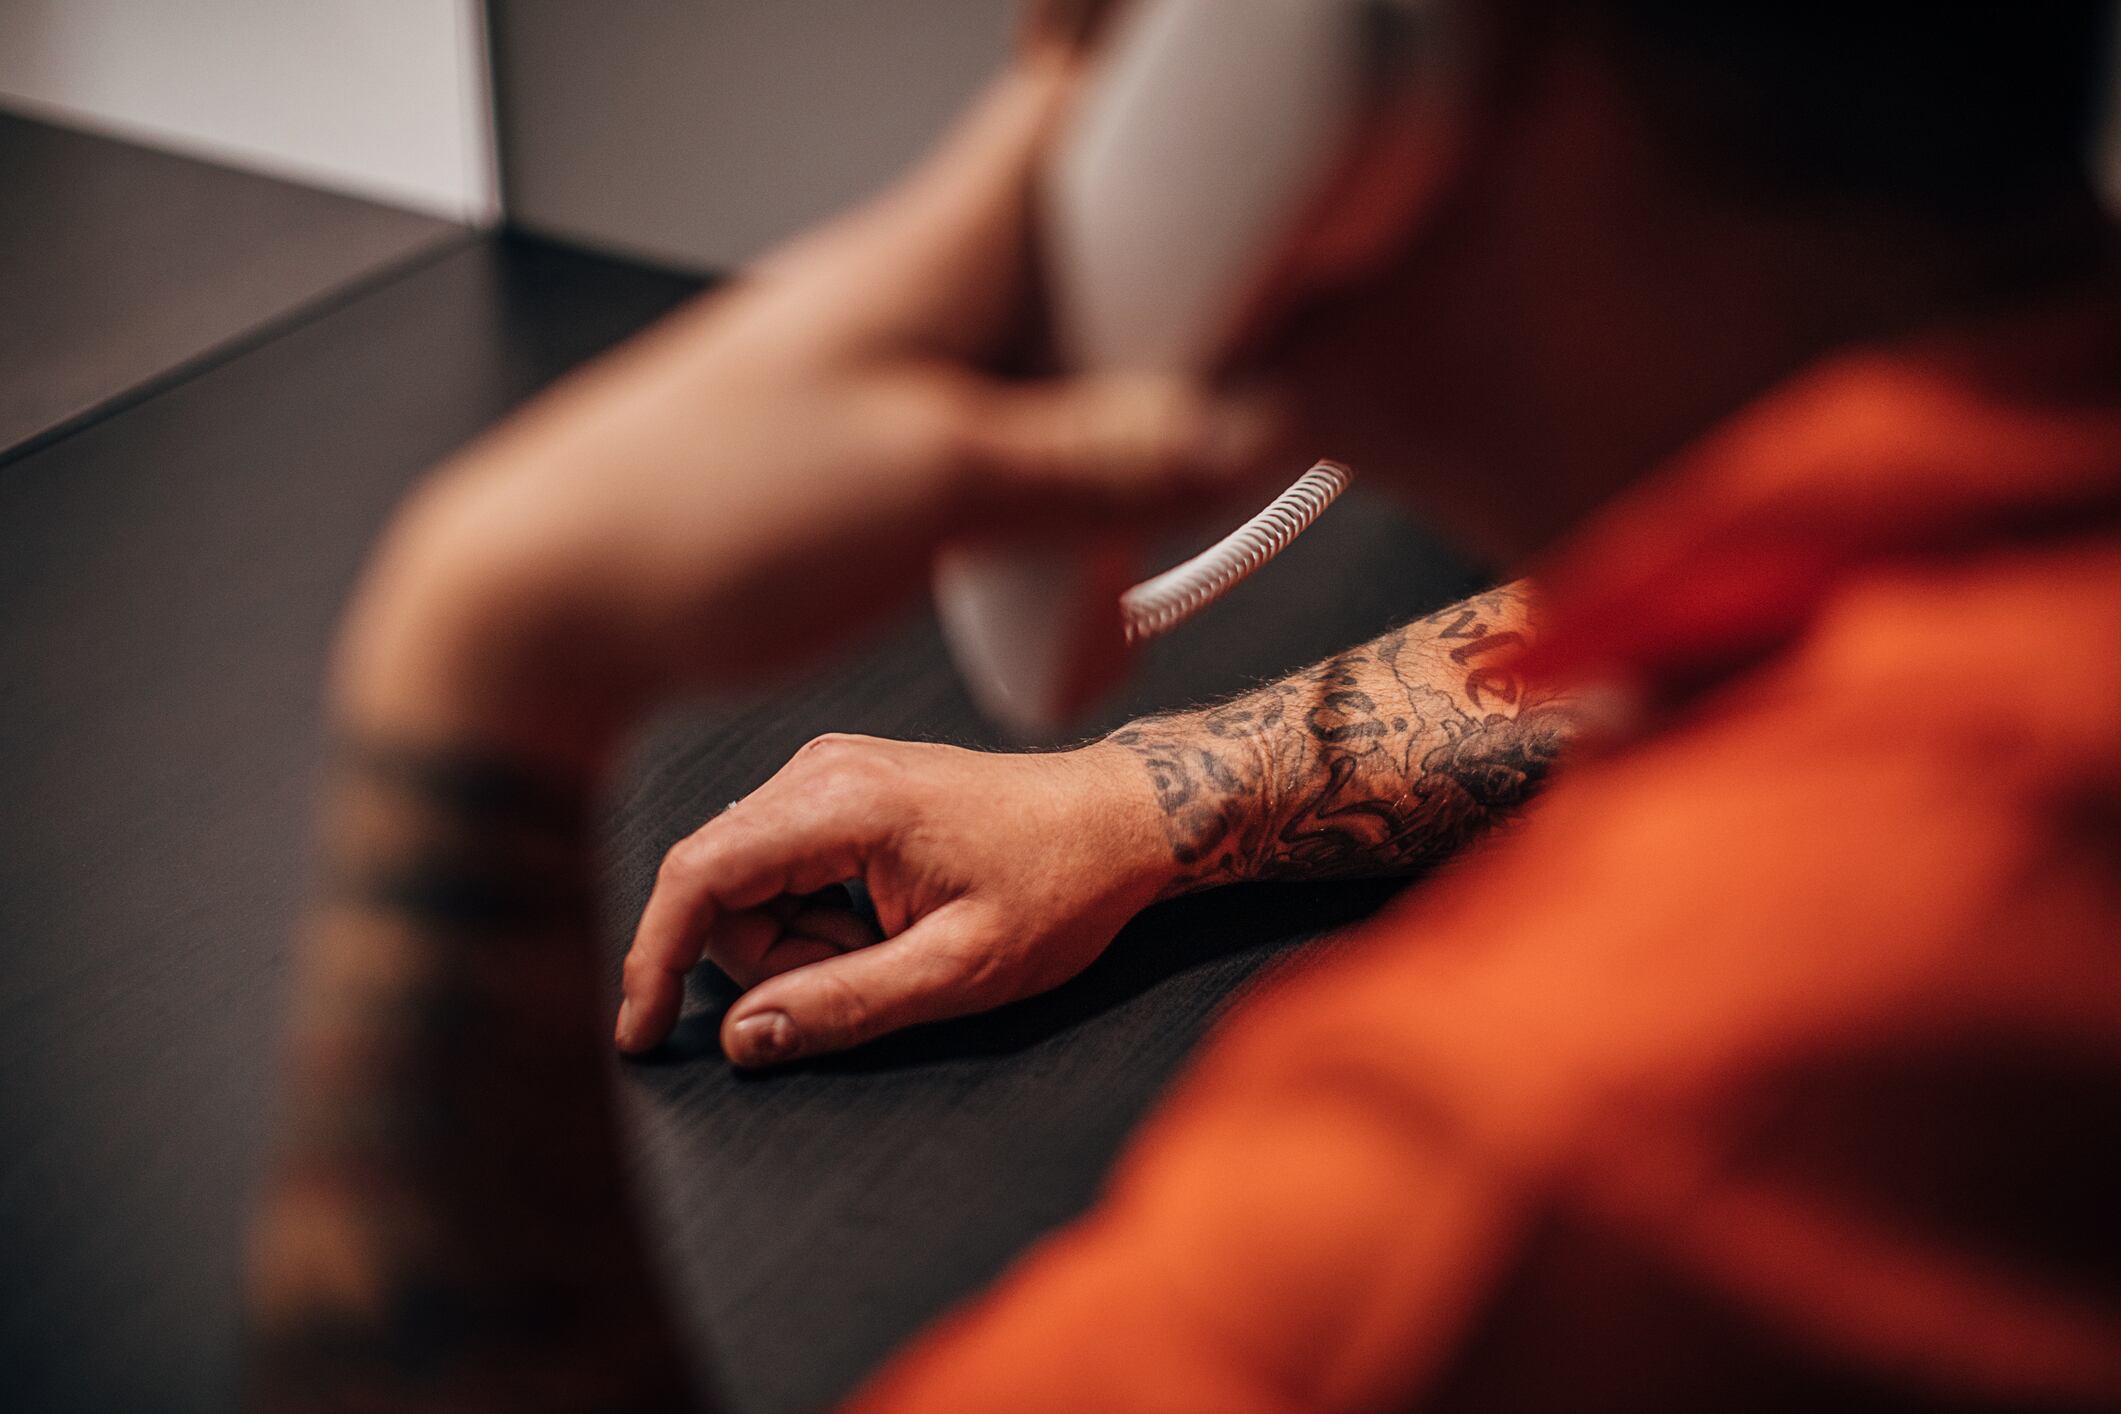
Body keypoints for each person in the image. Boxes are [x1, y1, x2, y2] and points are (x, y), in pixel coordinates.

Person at [247, 1, 2121, 1409]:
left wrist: (483, 648)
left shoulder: (1550, 1140)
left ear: (1302, 54)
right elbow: (1819, 571)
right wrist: (1160, 796)